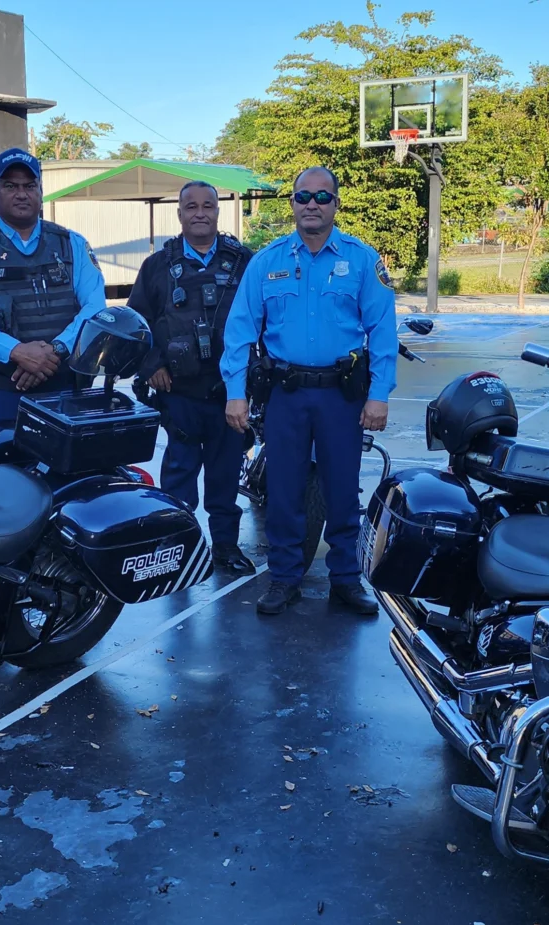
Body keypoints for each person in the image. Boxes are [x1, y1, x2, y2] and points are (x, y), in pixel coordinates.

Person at [221, 165, 397, 617]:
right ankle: (284, 578)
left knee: (342, 491)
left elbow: (382, 332)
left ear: (336, 204)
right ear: (293, 204)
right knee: (283, 490)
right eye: (304, 197)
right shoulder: (268, 261)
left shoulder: (361, 259)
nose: (312, 205)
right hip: (286, 394)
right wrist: (234, 392)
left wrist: (379, 394)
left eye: (322, 197)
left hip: (342, 396)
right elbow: (240, 329)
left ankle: (345, 580)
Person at [126, 181, 256, 576]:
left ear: (218, 212)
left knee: (224, 477)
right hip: (178, 394)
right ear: (179, 214)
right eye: (191, 206)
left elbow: (263, 321)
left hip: (229, 394)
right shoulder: (156, 266)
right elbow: (136, 324)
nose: (200, 212)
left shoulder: (243, 261)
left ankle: (226, 548)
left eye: (208, 206)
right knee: (179, 478)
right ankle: (176, 550)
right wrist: (152, 367)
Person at [0, 147, 107, 428]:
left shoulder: (73, 244)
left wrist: (54, 351)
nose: (21, 193)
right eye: (10, 185)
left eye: (29, 185)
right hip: (0, 392)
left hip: (65, 389)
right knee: (2, 472)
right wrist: (18, 352)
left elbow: (95, 308)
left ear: (40, 192)